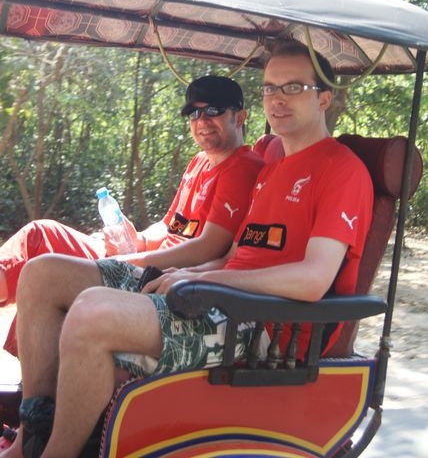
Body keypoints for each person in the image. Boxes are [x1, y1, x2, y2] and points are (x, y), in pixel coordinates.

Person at [3, 41, 374, 458]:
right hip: (216, 298)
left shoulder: (340, 170)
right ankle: (29, 437)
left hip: (263, 326)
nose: (277, 99)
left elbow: (312, 279)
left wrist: (208, 280)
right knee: (43, 273)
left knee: (92, 311)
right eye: (270, 88)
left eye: (294, 87)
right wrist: (191, 275)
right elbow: (234, 256)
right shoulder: (272, 170)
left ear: (324, 97)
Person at [0, 75, 264, 357]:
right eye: (194, 113)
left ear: (240, 117)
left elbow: (208, 248)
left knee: (45, 273)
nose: (202, 121)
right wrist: (138, 240)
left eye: (212, 110)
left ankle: (41, 377)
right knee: (41, 234)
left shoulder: (242, 168)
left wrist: (132, 260)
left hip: (162, 276)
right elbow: (168, 224)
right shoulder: (199, 162)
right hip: (147, 259)